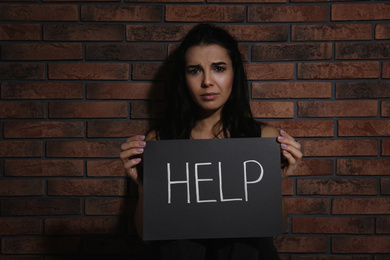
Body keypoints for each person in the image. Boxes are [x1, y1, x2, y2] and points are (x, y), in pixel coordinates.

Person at [120, 23, 302, 260]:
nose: (207, 81)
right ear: (183, 77)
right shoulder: (160, 142)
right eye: (195, 70)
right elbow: (147, 236)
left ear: (233, 73)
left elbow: (269, 230)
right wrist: (144, 187)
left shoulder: (264, 138)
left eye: (218, 68)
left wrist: (274, 180)